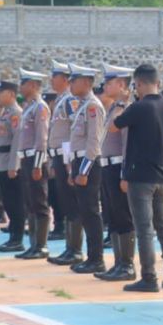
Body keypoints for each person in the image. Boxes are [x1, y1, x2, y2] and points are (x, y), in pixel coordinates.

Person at [114, 63, 163, 291]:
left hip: (140, 175)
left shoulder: (138, 107)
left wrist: (122, 101)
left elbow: (115, 125)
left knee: (144, 228)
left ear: (139, 83)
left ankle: (149, 277)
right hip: (162, 173)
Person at [95, 64, 138, 281]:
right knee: (112, 215)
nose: (105, 86)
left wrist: (125, 174)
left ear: (121, 85)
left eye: (110, 82)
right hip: (106, 165)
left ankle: (127, 265)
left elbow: (126, 144)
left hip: (118, 165)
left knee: (123, 215)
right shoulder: (113, 108)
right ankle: (118, 262)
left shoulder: (126, 109)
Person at [65, 65, 107, 274]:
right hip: (79, 163)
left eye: (74, 80)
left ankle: (96, 258)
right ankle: (92, 257)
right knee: (85, 211)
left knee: (91, 212)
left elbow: (93, 142)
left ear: (87, 83)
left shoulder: (93, 106)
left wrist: (83, 171)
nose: (70, 84)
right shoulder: (82, 106)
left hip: (87, 165)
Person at [47, 62, 84, 264]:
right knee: (66, 204)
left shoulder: (70, 101)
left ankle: (75, 249)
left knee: (72, 204)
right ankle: (70, 248)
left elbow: (73, 132)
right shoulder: (62, 99)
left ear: (65, 79)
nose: (52, 80)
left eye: (55, 76)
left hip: (66, 156)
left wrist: (69, 163)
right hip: (59, 156)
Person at [15, 69, 52, 260]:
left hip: (35, 160)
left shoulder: (40, 107)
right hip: (26, 159)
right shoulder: (28, 107)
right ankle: (33, 244)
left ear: (33, 85)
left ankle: (41, 245)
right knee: (30, 202)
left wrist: (38, 164)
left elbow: (41, 138)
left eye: (23, 83)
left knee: (39, 202)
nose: (20, 88)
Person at [0, 81, 26, 253]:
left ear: (11, 94)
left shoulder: (16, 114)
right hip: (2, 162)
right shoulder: (6, 113)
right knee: (8, 201)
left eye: (1, 92)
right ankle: (13, 235)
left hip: (10, 164)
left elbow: (17, 142)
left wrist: (14, 165)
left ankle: (17, 238)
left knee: (15, 202)